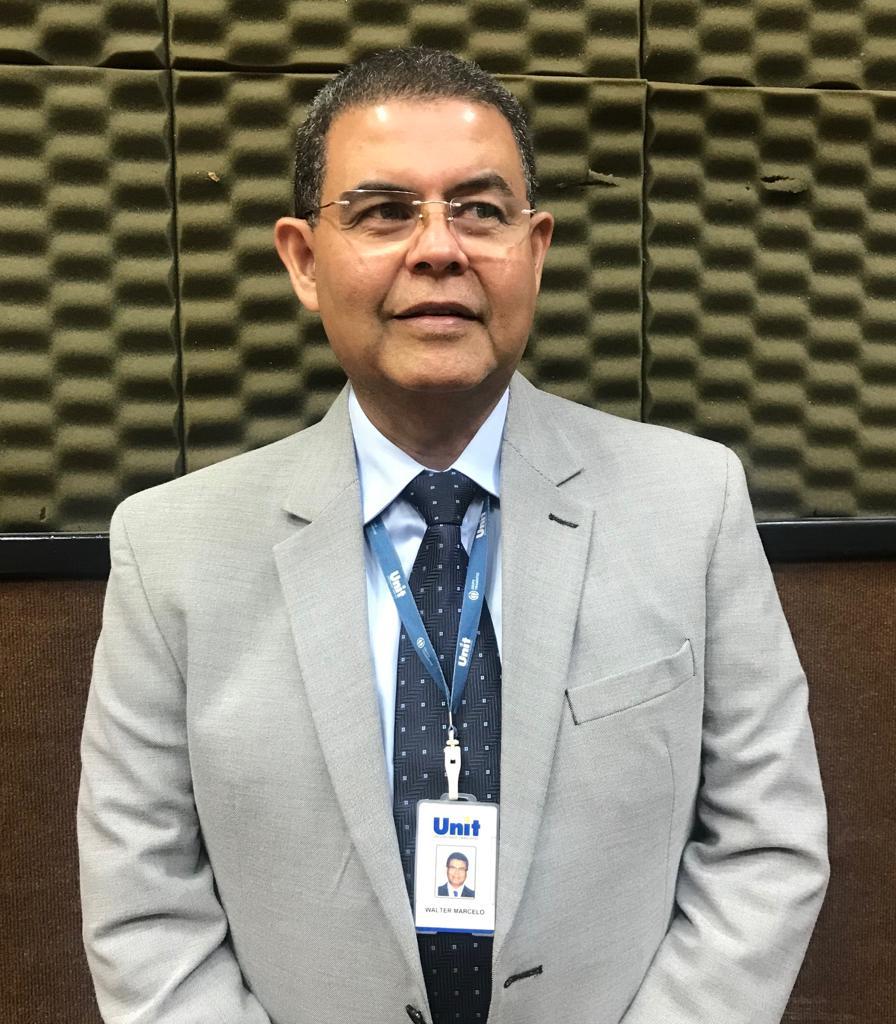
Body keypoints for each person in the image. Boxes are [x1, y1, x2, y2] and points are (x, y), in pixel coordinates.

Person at [78, 46, 828, 1024]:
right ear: (302, 260)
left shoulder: (693, 502)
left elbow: (766, 843)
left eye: (478, 209)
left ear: (536, 248)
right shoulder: (167, 550)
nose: (439, 249)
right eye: (384, 212)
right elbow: (144, 907)